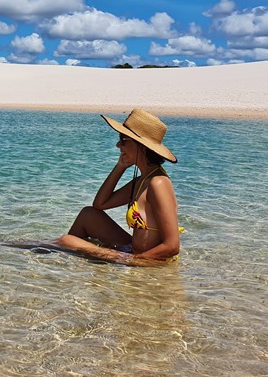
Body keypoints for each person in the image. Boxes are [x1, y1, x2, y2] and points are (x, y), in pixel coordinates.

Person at [58, 109, 182, 264]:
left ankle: (52, 255)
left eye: (123, 140)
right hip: (133, 251)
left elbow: (172, 246)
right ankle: (66, 264)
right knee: (87, 215)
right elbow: (99, 204)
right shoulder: (142, 181)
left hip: (148, 261)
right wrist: (120, 167)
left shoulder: (158, 183)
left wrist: (130, 259)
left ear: (141, 146)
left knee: (65, 240)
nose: (118, 145)